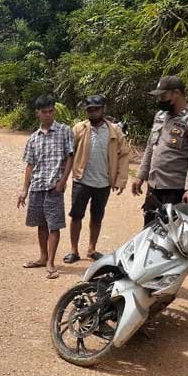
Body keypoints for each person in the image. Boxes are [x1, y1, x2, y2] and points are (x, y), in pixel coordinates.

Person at [132, 76, 188, 225]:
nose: (159, 100)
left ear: (176, 93)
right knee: (149, 229)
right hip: (154, 187)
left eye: (163, 96)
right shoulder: (160, 116)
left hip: (175, 189)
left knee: (172, 235)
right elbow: (150, 146)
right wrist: (141, 175)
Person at [63, 95, 130, 264]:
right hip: (81, 180)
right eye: (89, 110)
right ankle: (74, 250)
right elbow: (69, 154)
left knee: (97, 217)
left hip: (104, 182)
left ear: (103, 109)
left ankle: (92, 249)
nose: (93, 112)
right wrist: (62, 178)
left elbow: (123, 155)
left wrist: (120, 180)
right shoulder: (79, 128)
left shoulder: (114, 130)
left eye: (96, 109)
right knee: (76, 215)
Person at [18, 95, 74, 280]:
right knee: (41, 224)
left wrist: (63, 181)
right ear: (38, 113)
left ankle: (51, 261)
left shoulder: (64, 131)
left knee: (54, 225)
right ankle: (42, 257)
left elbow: (69, 157)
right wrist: (24, 190)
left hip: (54, 186)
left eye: (51, 111)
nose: (48, 115)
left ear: (54, 111)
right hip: (37, 186)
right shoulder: (33, 138)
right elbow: (30, 165)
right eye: (44, 112)